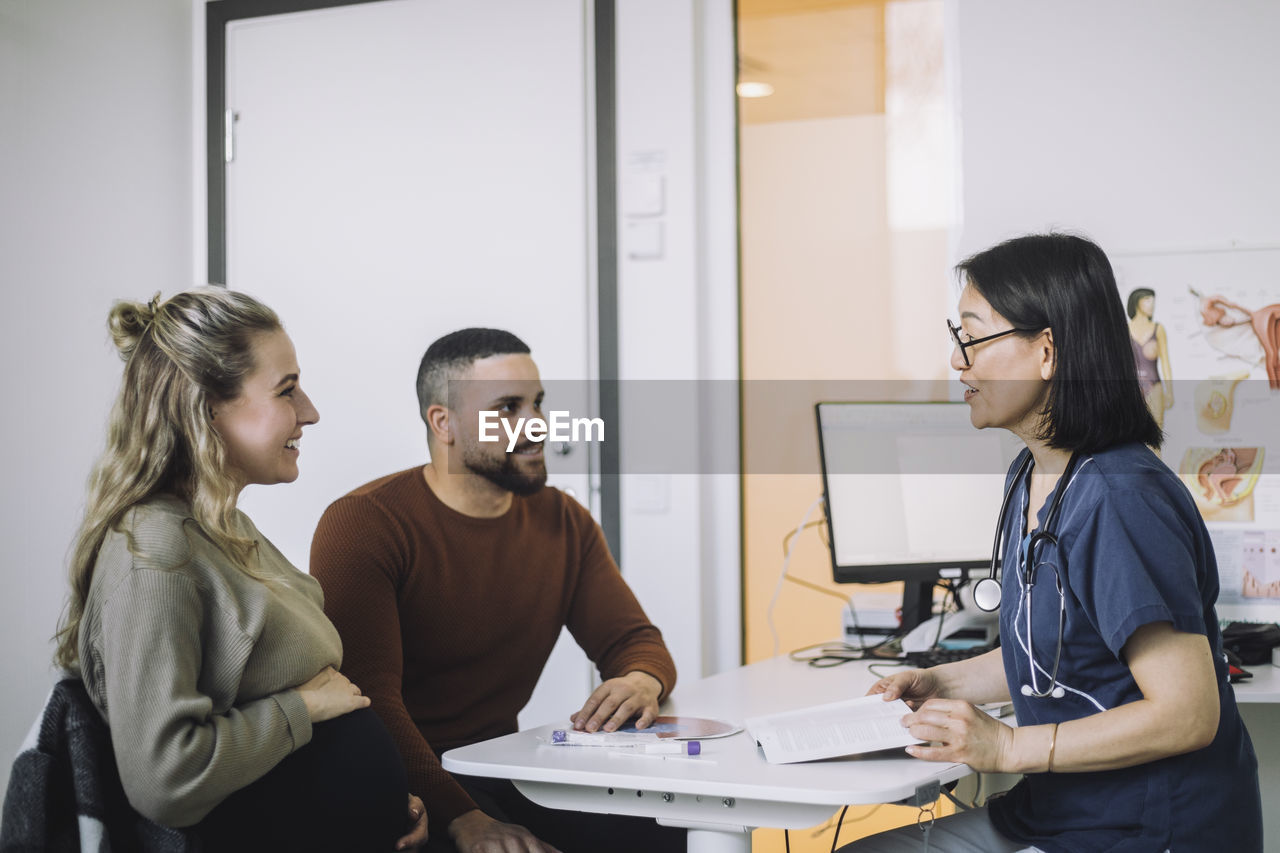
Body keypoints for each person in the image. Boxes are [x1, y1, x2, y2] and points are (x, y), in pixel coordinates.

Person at [840, 235, 1261, 852]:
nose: (959, 362)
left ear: (1046, 351)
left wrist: (1007, 745)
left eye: (973, 337)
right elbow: (1053, 657)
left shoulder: (1120, 496)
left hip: (1145, 831)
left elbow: (1189, 714)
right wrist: (940, 684)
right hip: (1057, 814)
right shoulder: (1032, 475)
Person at [54, 288, 428, 851]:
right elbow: (165, 778)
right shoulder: (154, 548)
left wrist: (384, 807)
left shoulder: (225, 527)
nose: (311, 411)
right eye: (287, 390)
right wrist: (301, 709)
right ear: (206, 405)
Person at [310, 328, 686, 853]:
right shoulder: (365, 523)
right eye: (509, 408)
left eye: (538, 403)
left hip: (498, 764)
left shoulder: (564, 520)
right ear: (443, 423)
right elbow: (369, 701)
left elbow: (632, 640)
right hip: (398, 779)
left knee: (667, 832)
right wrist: (464, 818)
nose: (536, 425)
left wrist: (642, 681)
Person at [1125, 287, 1172, 428]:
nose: (1151, 304)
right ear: (1136, 302)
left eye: (1153, 300)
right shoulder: (1124, 329)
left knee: (1156, 433)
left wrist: (1169, 391)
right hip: (1131, 390)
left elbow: (1165, 362)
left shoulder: (1158, 329)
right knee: (1132, 434)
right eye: (1147, 300)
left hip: (1154, 388)